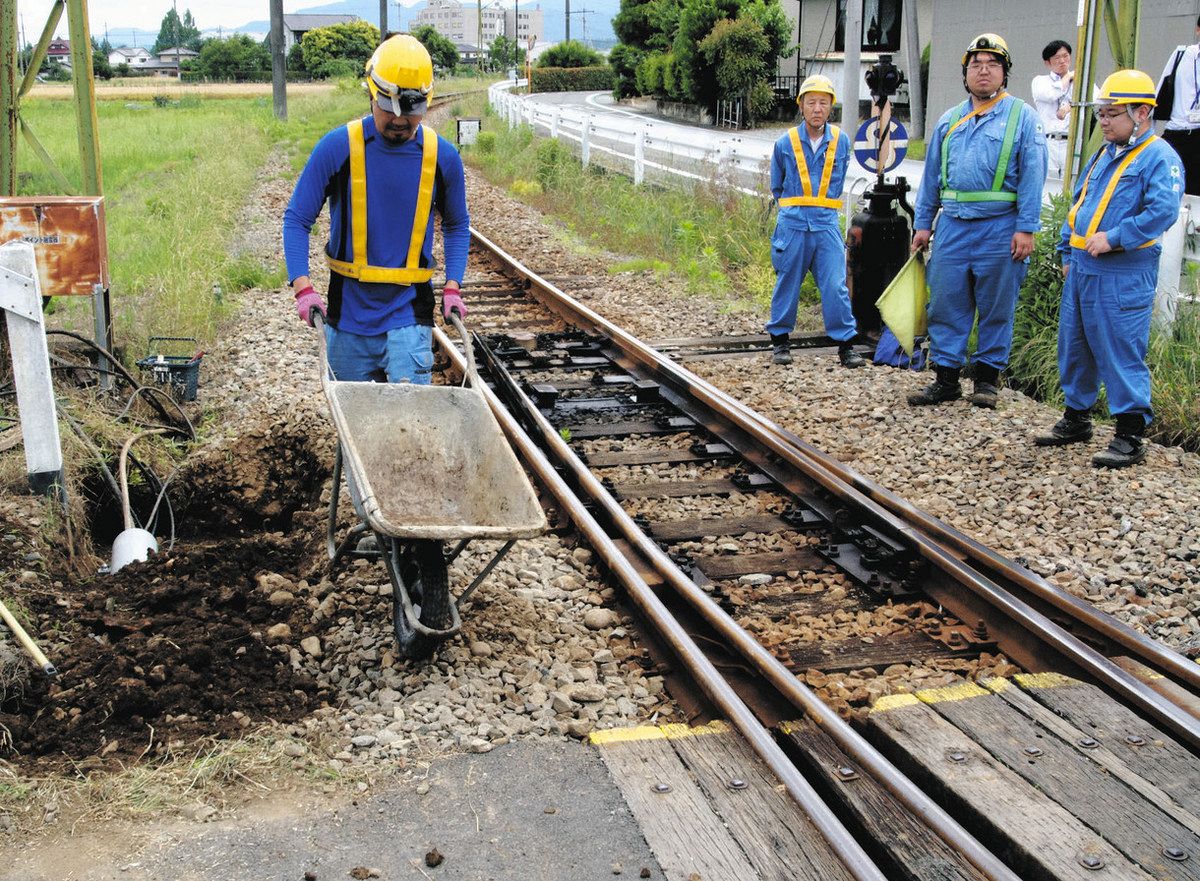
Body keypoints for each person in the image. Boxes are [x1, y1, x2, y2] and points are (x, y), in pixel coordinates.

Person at [282, 34, 470, 384]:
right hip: (347, 318)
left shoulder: (442, 157)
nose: (400, 119)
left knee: (407, 424)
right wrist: (303, 289)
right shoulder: (338, 148)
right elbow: (297, 219)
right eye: (390, 107)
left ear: (426, 100)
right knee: (354, 426)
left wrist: (453, 286)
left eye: (411, 109)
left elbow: (457, 225)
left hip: (409, 315)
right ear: (371, 93)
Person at [1035, 70, 1183, 468]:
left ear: (1142, 113)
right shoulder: (1104, 153)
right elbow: (1080, 202)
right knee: (1075, 345)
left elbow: (1162, 212)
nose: (1103, 121)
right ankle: (1077, 418)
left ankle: (1130, 434)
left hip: (1124, 271)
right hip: (1083, 267)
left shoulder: (1160, 157)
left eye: (1112, 113)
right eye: (1101, 113)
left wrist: (1116, 237)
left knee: (1120, 348)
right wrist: (1068, 251)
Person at [909, 33, 1047, 409]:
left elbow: (1034, 176)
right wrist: (924, 224)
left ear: (1005, 73)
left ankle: (987, 381)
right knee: (947, 303)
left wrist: (1026, 227)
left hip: (1001, 227)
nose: (984, 71)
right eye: (976, 64)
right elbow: (932, 177)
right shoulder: (949, 120)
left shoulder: (1023, 118)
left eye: (993, 64)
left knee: (997, 304)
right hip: (952, 225)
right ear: (965, 73)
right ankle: (946, 379)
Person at [765, 74, 864, 369]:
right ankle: (780, 341)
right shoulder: (785, 142)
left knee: (835, 285)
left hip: (826, 225)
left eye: (823, 103)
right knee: (788, 283)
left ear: (830, 107)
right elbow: (777, 184)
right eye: (811, 103)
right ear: (802, 107)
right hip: (793, 224)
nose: (817, 109)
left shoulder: (842, 141)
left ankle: (846, 345)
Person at [1157, 17, 1200, 196]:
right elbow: (1161, 89)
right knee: (1167, 186)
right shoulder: (1182, 54)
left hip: (1198, 132)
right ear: (1198, 30)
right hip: (1176, 130)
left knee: (1195, 191)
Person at [1031, 40, 1073, 178]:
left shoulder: (1081, 81)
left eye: (1065, 56)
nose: (1062, 61)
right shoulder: (1040, 81)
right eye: (1057, 58)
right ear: (1048, 62)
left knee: (1072, 180)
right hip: (1048, 141)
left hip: (1072, 142)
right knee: (1047, 182)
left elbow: (1096, 102)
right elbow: (1051, 94)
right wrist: (1069, 76)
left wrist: (1071, 107)